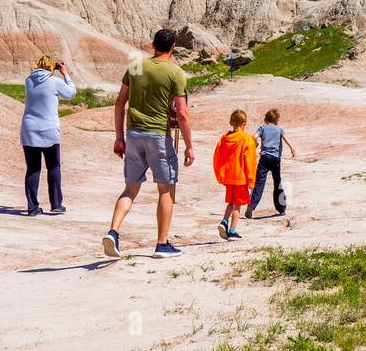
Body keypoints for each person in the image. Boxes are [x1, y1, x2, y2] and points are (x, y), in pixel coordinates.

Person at [102, 28, 193, 259]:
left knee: (130, 188)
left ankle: (113, 232)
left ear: (152, 44)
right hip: (158, 136)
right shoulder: (176, 73)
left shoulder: (136, 66)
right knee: (166, 188)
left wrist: (119, 137)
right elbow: (181, 112)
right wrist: (190, 145)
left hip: (133, 135)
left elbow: (119, 103)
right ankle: (162, 244)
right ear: (174, 47)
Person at [20, 56, 76, 216]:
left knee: (33, 168)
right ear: (52, 67)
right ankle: (56, 204)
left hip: (29, 129)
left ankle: (32, 207)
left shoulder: (28, 81)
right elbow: (71, 93)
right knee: (53, 166)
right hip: (49, 130)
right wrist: (65, 73)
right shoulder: (54, 82)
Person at [213, 109, 257, 241]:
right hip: (240, 177)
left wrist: (220, 174)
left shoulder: (224, 138)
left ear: (231, 122)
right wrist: (251, 180)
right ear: (244, 123)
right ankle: (232, 231)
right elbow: (249, 161)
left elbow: (217, 157)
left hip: (228, 177)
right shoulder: (246, 139)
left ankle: (224, 221)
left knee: (231, 202)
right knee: (238, 205)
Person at [247, 108, 296, 219]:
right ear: (276, 119)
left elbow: (254, 137)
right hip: (275, 159)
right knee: (277, 183)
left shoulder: (262, 128)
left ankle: (251, 206)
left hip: (264, 158)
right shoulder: (279, 130)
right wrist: (292, 149)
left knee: (259, 183)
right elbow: (285, 139)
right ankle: (281, 208)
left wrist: (255, 144)